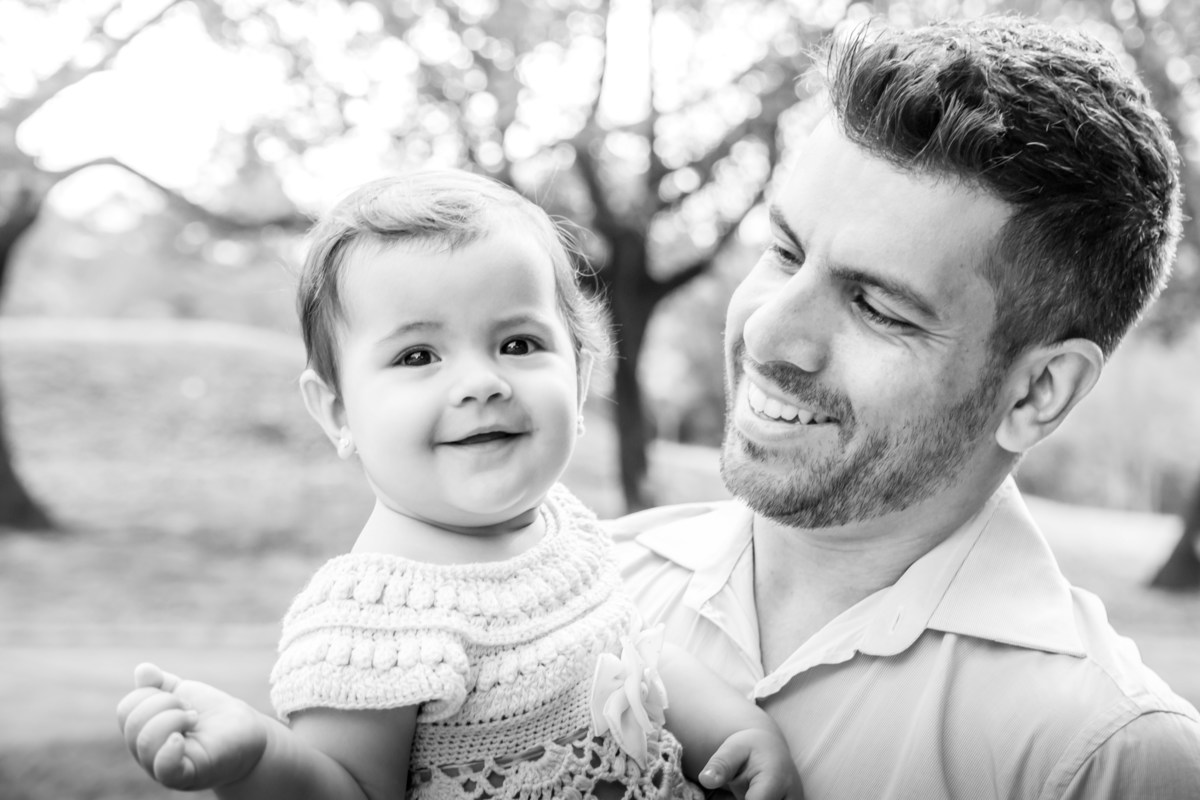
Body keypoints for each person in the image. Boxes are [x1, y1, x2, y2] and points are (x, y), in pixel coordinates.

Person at [612, 14, 1200, 800]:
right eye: (784, 252)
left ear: (1037, 391)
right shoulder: (593, 586)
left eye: (879, 309)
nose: (769, 332)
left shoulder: (1105, 760)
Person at [116, 170, 801, 800]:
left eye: (519, 344)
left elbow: (634, 656)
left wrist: (735, 728)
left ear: (582, 378)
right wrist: (258, 757)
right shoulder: (374, 620)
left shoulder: (564, 526)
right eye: (418, 355)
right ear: (337, 411)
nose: (481, 382)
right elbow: (347, 790)